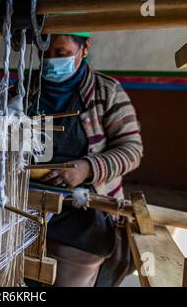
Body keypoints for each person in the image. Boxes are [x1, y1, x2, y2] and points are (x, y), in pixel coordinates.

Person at [28, 32, 143, 287]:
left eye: (61, 53)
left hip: (84, 206)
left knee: (69, 273)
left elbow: (132, 150)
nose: (50, 60)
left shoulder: (107, 92)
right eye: (44, 53)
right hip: (29, 201)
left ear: (85, 48)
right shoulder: (24, 90)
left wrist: (88, 167)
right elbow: (0, 134)